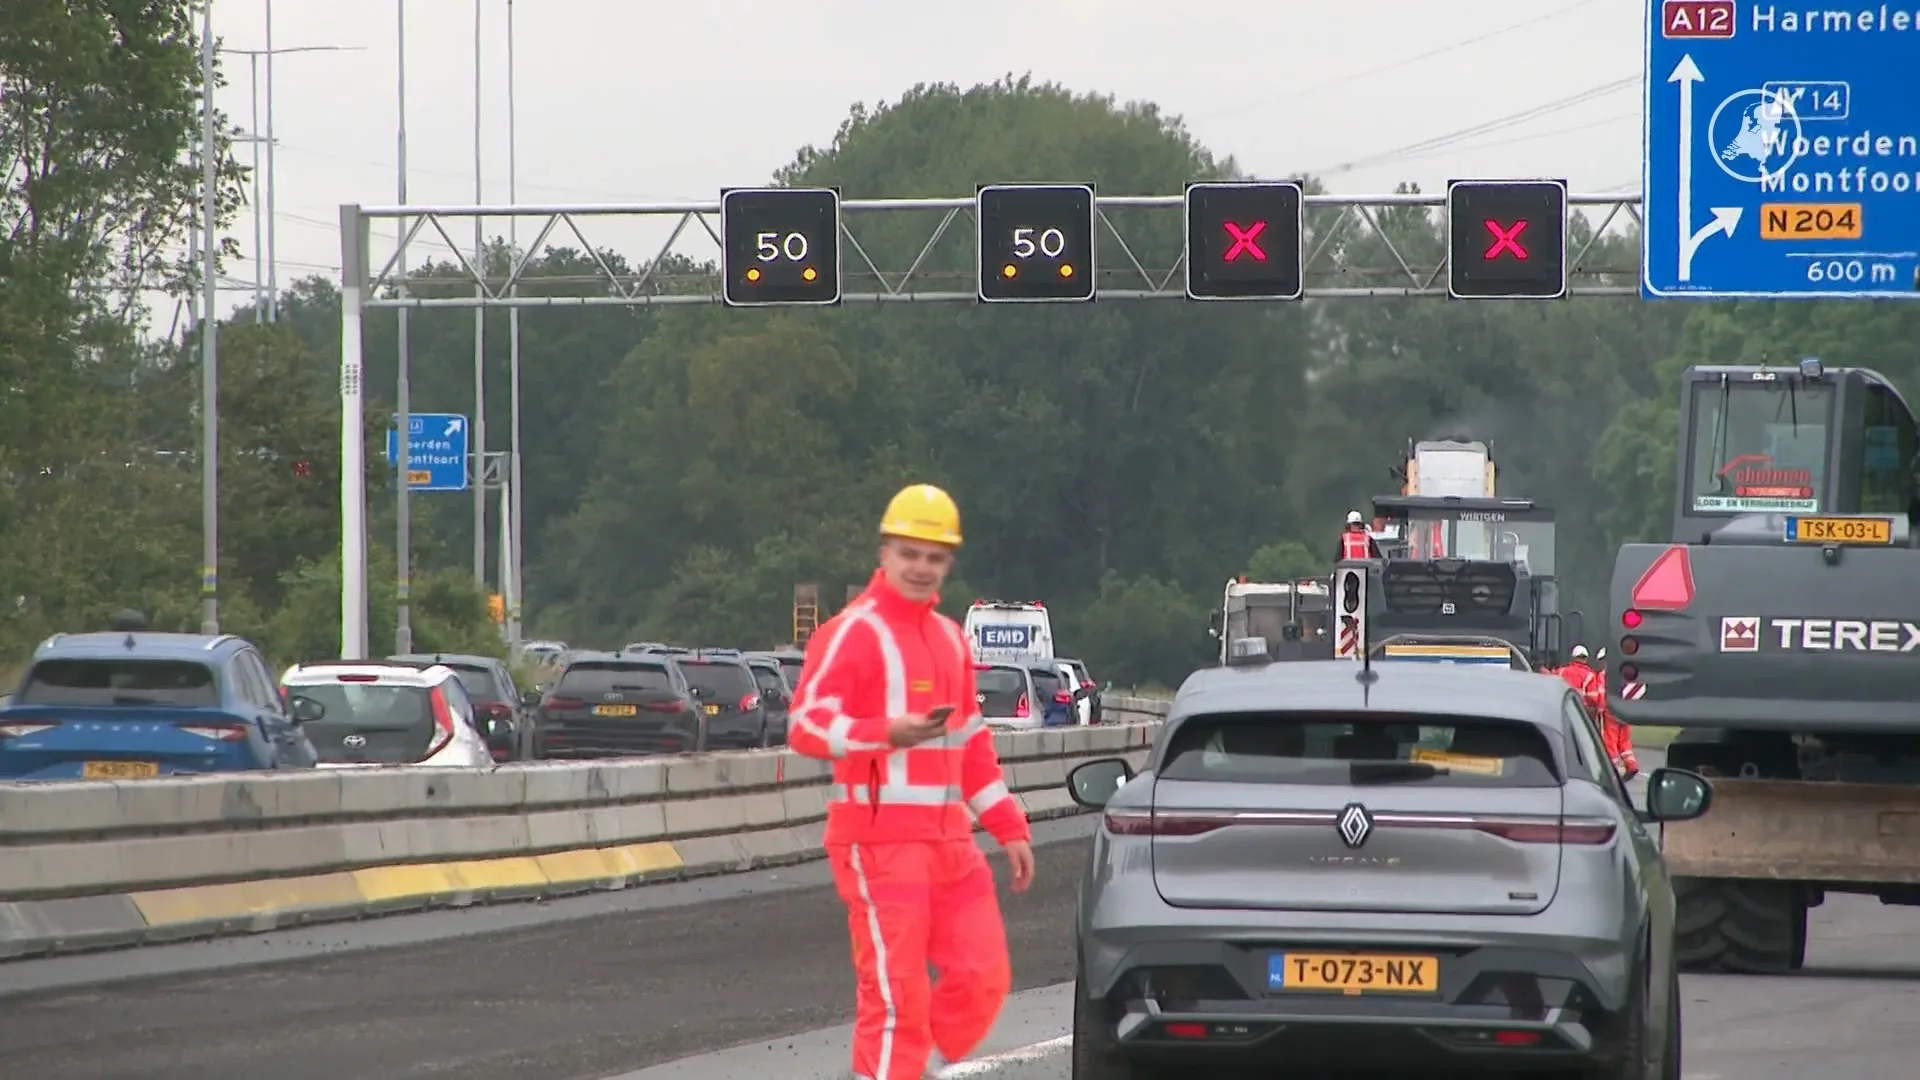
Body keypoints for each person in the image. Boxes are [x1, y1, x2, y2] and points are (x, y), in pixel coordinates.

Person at [786, 482, 1035, 1080]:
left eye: (934, 557)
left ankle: (905, 1064)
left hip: (952, 847)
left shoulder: (950, 639)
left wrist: (1008, 825)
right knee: (896, 999)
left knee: (983, 976)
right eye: (909, 554)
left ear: (949, 563)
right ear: (886, 553)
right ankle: (893, 1067)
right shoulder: (853, 632)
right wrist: (884, 733)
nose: (921, 567)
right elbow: (805, 724)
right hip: (878, 846)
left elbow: (971, 744)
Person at [1591, 648, 1640, 780]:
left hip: (1610, 711)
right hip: (1626, 711)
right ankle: (1631, 764)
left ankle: (1613, 770)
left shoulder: (1604, 675)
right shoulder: (1624, 673)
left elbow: (1601, 692)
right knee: (1625, 740)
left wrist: (1600, 708)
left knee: (1610, 740)